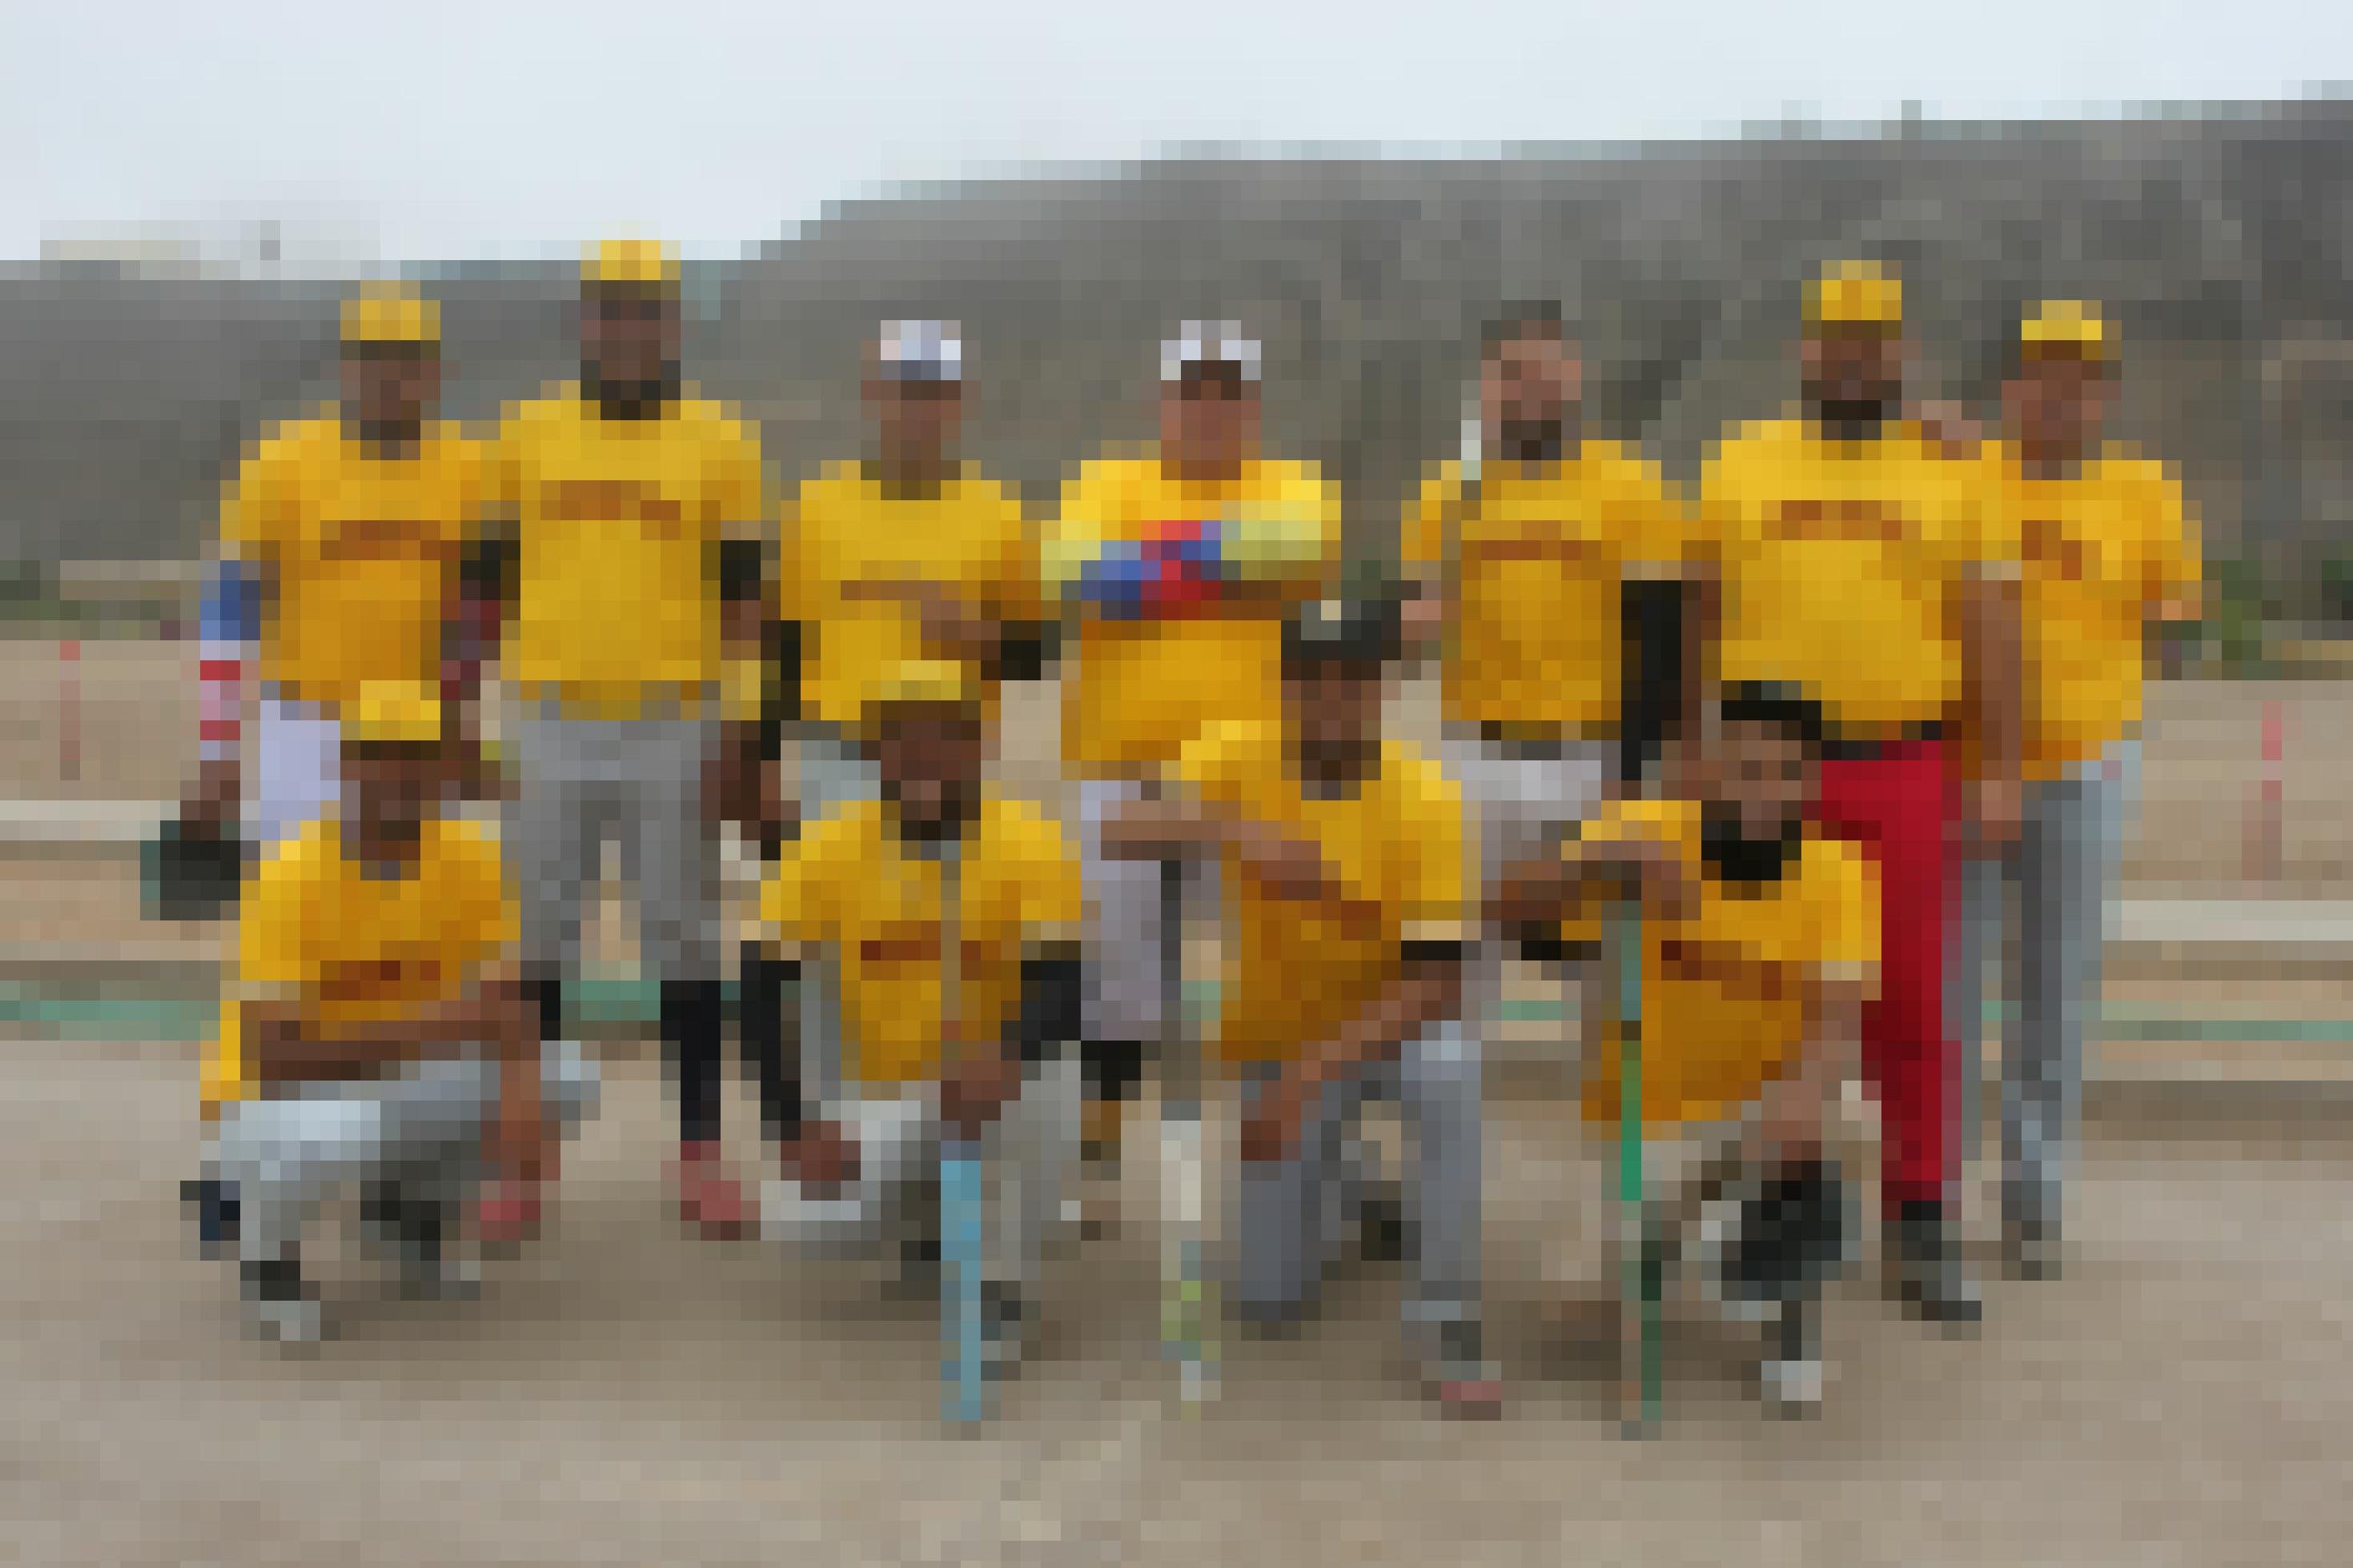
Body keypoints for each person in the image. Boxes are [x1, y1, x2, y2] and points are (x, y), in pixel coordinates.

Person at [1694, 260, 2022, 1326]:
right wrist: (1692, 750)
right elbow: (1699, 616)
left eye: (1872, 339)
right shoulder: (1737, 463)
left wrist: (1997, 766)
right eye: (1833, 336)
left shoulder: (1952, 471)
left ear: (1898, 354)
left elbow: (1987, 628)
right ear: (1803, 348)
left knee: (1909, 1001)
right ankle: (1757, 1191)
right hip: (1759, 770)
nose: (1851, 355)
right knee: (1755, 986)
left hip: (1897, 760)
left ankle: (1918, 1212)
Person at [1105, 596, 1496, 1417]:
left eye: (1350, 682)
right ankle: (1357, 1191)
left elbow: (1436, 982)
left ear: (1381, 690)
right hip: (1279, 1036)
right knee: (1268, 1301)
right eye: (1309, 681)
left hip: (1393, 1028)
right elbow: (1119, 826)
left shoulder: (1426, 799)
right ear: (1281, 687)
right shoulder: (1237, 755)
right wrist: (1232, 832)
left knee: (1452, 1074)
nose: (1329, 701)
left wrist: (1303, 1080)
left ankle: (1444, 1316)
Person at [480, 239, 773, 1237]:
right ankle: (526, 1161)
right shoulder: (521, 437)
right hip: (550, 715)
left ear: (673, 324)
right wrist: (465, 715)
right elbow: (487, 589)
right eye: (609, 310)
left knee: (684, 941)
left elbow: (744, 604)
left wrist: (739, 730)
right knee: (536, 941)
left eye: (645, 311)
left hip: (674, 719)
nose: (626, 330)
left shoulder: (722, 441)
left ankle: (699, 1154)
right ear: (583, 322)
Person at [1494, 684, 1875, 1416]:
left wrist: (1801, 1099)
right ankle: (1670, 1241)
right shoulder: (1644, 827)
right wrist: (1596, 866)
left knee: (1844, 1116)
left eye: (1784, 772)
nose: (1763, 791)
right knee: (1568, 1300)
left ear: (1812, 778)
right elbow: (1503, 907)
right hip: (1647, 1119)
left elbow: (1837, 1017)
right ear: (1710, 768)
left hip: (1763, 1113)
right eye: (1745, 769)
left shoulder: (1838, 871)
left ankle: (1787, 1324)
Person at [186, 682, 599, 1345]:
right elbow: (276, 1056)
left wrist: (520, 1090)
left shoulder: (472, 857)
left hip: (391, 1070)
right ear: (345, 764)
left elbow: (507, 1003)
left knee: (565, 1079)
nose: (398, 772)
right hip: (274, 1093)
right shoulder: (293, 872)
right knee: (338, 1127)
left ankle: (403, 1216)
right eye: (378, 752)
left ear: (444, 770)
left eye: (417, 754)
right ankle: (267, 1258)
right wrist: (447, 1029)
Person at [1043, 323, 1341, 1222]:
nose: (1209, 410)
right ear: (1161, 402)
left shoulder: (1297, 484)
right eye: (1191, 392)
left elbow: (1296, 551)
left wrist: (1152, 567)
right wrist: (1224, 565)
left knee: (1285, 966)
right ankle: (1096, 1154)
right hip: (1121, 771)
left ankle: (1320, 1153)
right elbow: (1074, 574)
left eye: (1228, 393)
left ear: (1254, 406)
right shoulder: (1103, 479)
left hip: (1257, 781)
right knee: (1116, 976)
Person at [1946, 301, 2203, 1278]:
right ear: (2008, 387)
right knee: (1950, 990)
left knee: (2052, 991)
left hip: (2084, 765)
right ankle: (1930, 1193)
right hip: (1970, 769)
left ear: (2105, 394)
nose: (2059, 392)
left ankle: (2032, 1197)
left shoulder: (2145, 490)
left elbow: (2171, 616)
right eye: (2040, 371)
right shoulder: (1966, 474)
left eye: (2081, 376)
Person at [753, 660, 1084, 1378]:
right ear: (874, 749)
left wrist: (1007, 1054)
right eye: (901, 736)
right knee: (805, 1221)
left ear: (976, 745)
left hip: (1002, 1085)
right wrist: (793, 1124)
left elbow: (1060, 984)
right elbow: (762, 983)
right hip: (892, 1092)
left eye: (944, 734)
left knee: (1022, 1089)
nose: (922, 752)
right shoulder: (830, 844)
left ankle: (999, 1288)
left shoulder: (1028, 839)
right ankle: (928, 1230)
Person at [1399, 302, 1697, 1088]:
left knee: (1608, 974)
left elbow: (1659, 643)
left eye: (1544, 370)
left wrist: (1634, 781)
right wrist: (1411, 618)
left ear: (1574, 378)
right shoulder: (1444, 497)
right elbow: (1413, 619)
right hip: (1474, 754)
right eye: (1508, 373)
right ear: (1484, 387)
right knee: (1456, 963)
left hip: (1589, 757)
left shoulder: (1629, 487)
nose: (1527, 388)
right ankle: (1442, 1169)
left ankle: (1622, 1176)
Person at [184, 283, 492, 870]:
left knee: (422, 921)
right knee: (298, 909)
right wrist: (218, 750)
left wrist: (464, 716)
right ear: (344, 368)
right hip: (307, 731)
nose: (388, 377)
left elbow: (475, 611)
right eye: (371, 358)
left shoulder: (473, 468)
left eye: (407, 361)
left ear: (434, 373)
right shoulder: (280, 464)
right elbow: (227, 611)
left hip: (421, 733)